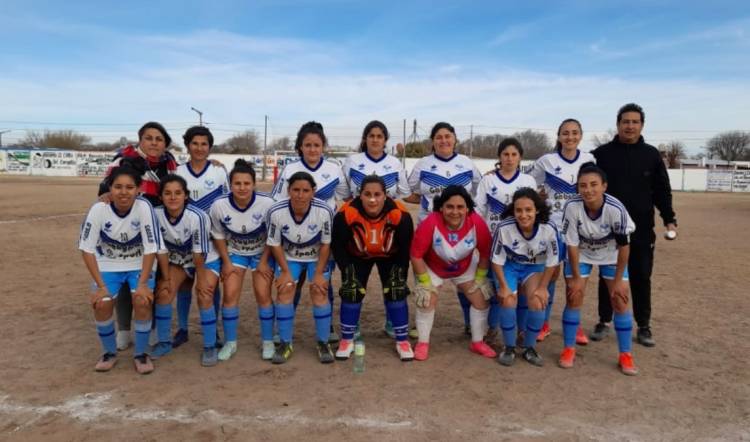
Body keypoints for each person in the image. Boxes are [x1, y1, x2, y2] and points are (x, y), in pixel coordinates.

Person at [591, 104, 677, 347]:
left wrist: (669, 218)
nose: (630, 126)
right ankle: (604, 320)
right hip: (607, 231)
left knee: (641, 276)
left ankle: (644, 325)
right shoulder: (601, 154)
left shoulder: (651, 155)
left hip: (641, 230)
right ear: (617, 124)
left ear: (641, 125)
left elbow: (662, 190)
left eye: (635, 122)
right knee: (607, 277)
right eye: (625, 121)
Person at [97, 122, 178, 352]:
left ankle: (149, 326)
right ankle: (123, 329)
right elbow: (105, 189)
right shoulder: (124, 159)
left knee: (153, 277)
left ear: (165, 143)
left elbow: (177, 187)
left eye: (159, 139)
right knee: (124, 277)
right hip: (127, 228)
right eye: (149, 138)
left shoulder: (170, 163)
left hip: (157, 227)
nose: (154, 142)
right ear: (140, 140)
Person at [79, 165, 166, 374]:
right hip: (108, 264)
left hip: (139, 264)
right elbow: (87, 249)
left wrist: (143, 284)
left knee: (142, 301)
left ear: (138, 189)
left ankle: (141, 354)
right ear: (110, 188)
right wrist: (100, 287)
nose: (124, 192)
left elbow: (151, 247)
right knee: (102, 303)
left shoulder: (144, 207)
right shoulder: (99, 209)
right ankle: (109, 353)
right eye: (118, 187)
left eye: (129, 187)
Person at [271, 121, 349, 342]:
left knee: (323, 281)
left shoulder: (334, 169)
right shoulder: (290, 170)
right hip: (293, 237)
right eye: (308, 145)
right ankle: (283, 327)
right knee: (291, 281)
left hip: (324, 237)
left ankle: (329, 327)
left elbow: (346, 195)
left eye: (317, 144)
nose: (312, 149)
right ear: (300, 147)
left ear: (323, 146)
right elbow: (276, 201)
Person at [559, 163, 638, 375]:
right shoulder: (572, 207)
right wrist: (576, 277)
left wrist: (620, 280)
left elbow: (624, 246)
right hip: (582, 253)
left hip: (611, 253)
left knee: (620, 300)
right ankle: (568, 348)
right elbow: (572, 244)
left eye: (594, 184)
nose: (588, 190)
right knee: (574, 296)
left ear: (604, 186)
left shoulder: (616, 209)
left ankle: (626, 354)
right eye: (583, 185)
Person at [406, 122, 482, 336]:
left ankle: (469, 322)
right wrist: (429, 207)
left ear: (455, 139)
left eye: (447, 136)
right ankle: (419, 323)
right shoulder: (422, 164)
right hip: (429, 231)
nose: (443, 140)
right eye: (439, 137)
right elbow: (409, 191)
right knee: (425, 278)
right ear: (433, 141)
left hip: (460, 230)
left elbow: (477, 192)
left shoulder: (466, 163)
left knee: (463, 276)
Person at [331, 175, 415, 361]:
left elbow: (405, 248)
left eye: (377, 194)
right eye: (367, 194)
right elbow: (337, 245)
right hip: (357, 254)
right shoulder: (347, 213)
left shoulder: (400, 214)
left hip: (391, 255)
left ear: (385, 196)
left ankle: (402, 340)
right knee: (351, 289)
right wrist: (347, 271)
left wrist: (400, 273)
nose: (372, 199)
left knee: (396, 288)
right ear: (359, 195)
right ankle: (347, 339)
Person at [409, 185, 495, 361]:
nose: (455, 212)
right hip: (432, 267)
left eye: (460, 207)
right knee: (426, 299)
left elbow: (486, 253)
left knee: (481, 298)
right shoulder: (430, 222)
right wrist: (425, 282)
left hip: (464, 267)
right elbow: (416, 255)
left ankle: (477, 342)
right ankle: (423, 343)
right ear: (441, 207)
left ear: (468, 208)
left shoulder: (477, 222)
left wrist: (479, 278)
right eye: (449, 206)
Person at [528, 118, 594, 344]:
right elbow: (528, 183)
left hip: (579, 229)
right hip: (553, 228)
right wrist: (539, 196)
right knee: (551, 275)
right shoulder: (546, 161)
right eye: (565, 133)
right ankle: (543, 324)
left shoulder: (588, 159)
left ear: (581, 135)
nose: (570, 137)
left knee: (576, 278)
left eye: (575, 133)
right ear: (558, 136)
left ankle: (574, 325)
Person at [342, 120, 411, 338]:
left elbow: (403, 194)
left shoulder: (394, 163)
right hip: (358, 228)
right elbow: (345, 193)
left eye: (379, 136)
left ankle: (391, 322)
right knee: (354, 279)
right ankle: (354, 326)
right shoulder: (352, 161)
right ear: (365, 138)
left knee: (391, 278)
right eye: (371, 135)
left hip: (387, 229)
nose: (375, 139)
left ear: (385, 140)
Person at [209, 159, 276, 361]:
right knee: (230, 295)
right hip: (235, 253)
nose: (242, 188)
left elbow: (274, 237)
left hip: (261, 253)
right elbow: (218, 235)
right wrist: (227, 262)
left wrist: (264, 261)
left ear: (254, 184)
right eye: (237, 183)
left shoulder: (267, 203)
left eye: (247, 183)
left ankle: (268, 341)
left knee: (263, 294)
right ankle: (230, 343)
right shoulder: (219, 205)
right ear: (231, 184)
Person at [152, 175, 223, 366]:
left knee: (204, 294)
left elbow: (199, 253)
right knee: (164, 293)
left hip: (205, 261)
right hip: (179, 261)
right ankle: (165, 341)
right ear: (160, 197)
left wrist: (200, 279)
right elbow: (161, 249)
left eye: (178, 193)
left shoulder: (197, 216)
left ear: (185, 196)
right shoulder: (155, 214)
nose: (173, 197)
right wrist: (166, 278)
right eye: (167, 193)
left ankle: (209, 346)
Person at [266, 171, 336, 364]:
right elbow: (274, 243)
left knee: (319, 290)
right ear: (288, 190)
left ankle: (323, 342)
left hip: (317, 258)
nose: (300, 194)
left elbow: (326, 244)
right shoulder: (276, 211)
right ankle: (285, 343)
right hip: (290, 257)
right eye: (295, 190)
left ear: (313, 192)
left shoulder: (324, 211)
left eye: (305, 190)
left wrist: (320, 273)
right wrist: (285, 272)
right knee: (285, 290)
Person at [474, 137, 536, 343]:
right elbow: (479, 212)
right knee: (496, 288)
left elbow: (532, 213)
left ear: (520, 157)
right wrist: (479, 241)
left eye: (514, 154)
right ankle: (492, 328)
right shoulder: (488, 180)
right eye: (505, 154)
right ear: (499, 157)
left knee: (523, 291)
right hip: (495, 244)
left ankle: (521, 330)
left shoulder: (528, 182)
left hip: (522, 246)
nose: (509, 158)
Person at [172, 126, 228, 349]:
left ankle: (212, 331)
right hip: (184, 241)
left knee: (210, 286)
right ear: (187, 145)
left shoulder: (219, 172)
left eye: (204, 144)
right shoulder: (177, 172)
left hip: (212, 241)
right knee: (185, 284)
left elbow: (226, 205)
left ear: (210, 147)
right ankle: (183, 328)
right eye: (195, 143)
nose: (199, 147)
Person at [491, 188, 559, 367]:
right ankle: (509, 347)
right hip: (510, 266)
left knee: (537, 300)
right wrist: (504, 286)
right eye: (518, 210)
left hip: (534, 267)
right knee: (507, 300)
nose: (523, 215)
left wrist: (543, 287)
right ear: (513, 211)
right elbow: (496, 261)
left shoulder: (549, 228)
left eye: (528, 210)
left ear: (536, 209)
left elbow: (553, 261)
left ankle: (530, 347)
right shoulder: (504, 228)